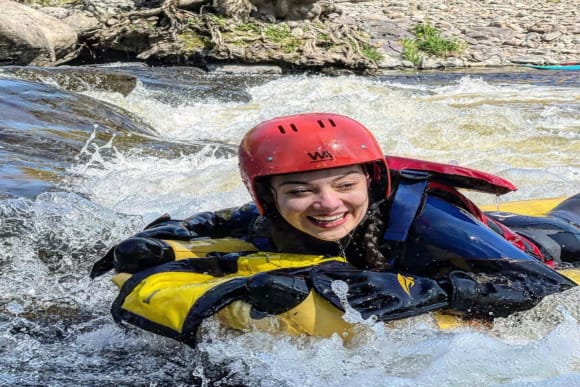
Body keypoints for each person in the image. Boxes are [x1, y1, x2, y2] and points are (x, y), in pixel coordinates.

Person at [91, 113, 578, 345]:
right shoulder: (269, 215)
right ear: (269, 197)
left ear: (370, 181)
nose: (327, 204)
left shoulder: (427, 217)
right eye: (300, 191)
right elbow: (218, 222)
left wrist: (431, 293)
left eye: (344, 184)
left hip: (552, 239)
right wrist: (169, 234)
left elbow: (545, 282)